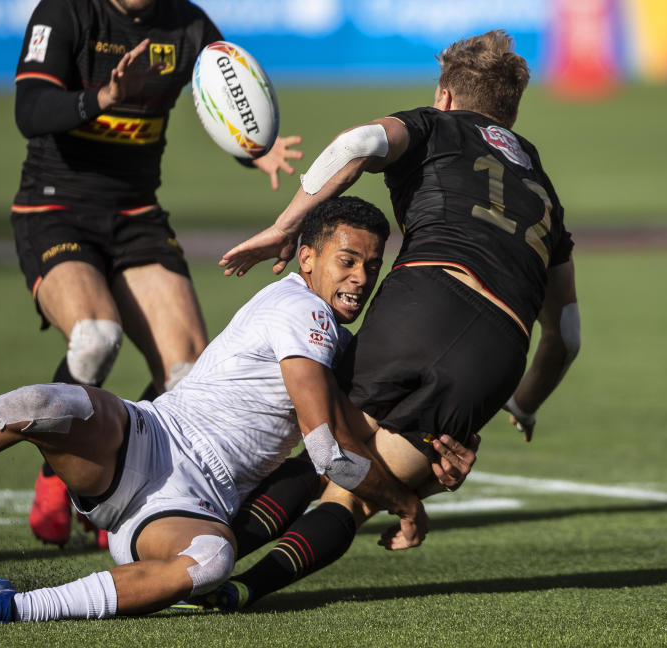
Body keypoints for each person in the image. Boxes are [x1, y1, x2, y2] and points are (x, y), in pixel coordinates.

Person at [0, 198, 474, 626]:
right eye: (348, 262)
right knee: (40, 404)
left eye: (371, 267)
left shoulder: (330, 336)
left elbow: (351, 432)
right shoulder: (305, 314)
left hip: (185, 505)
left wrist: (414, 486)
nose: (359, 279)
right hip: (149, 436)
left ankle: (8, 606)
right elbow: (329, 453)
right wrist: (401, 499)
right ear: (308, 259)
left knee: (208, 562)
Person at [211, 30, 581, 610]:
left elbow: (359, 141)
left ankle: (196, 565)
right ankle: (239, 592)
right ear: (512, 109)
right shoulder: (541, 183)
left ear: (447, 96)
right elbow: (567, 337)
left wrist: (286, 226)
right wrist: (521, 404)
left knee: (327, 453)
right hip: (501, 348)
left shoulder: (440, 125)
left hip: (426, 298)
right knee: (353, 499)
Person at [10, 0, 303, 547]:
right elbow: (30, 109)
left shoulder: (187, 24)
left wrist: (253, 151)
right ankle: (57, 470)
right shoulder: (66, 12)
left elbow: (224, 91)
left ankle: (120, 488)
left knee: (189, 373)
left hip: (136, 215)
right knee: (96, 340)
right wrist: (106, 96)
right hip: (55, 208)